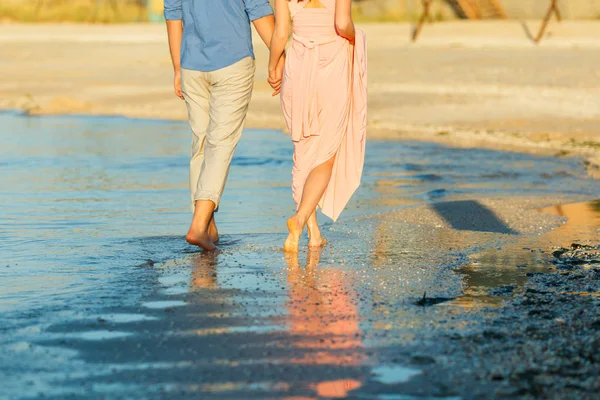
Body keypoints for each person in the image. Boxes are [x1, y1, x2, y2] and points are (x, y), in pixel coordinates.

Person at [164, 0, 285, 251]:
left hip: (191, 65)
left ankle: (208, 225)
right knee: (220, 143)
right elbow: (259, 11)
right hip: (233, 62)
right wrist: (280, 60)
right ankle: (198, 226)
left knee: (201, 143)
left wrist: (177, 68)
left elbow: (173, 14)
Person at [268, 0, 367, 252]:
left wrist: (272, 66)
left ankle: (313, 234)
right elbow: (342, 23)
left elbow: (281, 33)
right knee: (325, 156)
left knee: (303, 154)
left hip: (298, 68)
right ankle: (300, 220)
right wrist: (358, 37)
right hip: (331, 65)